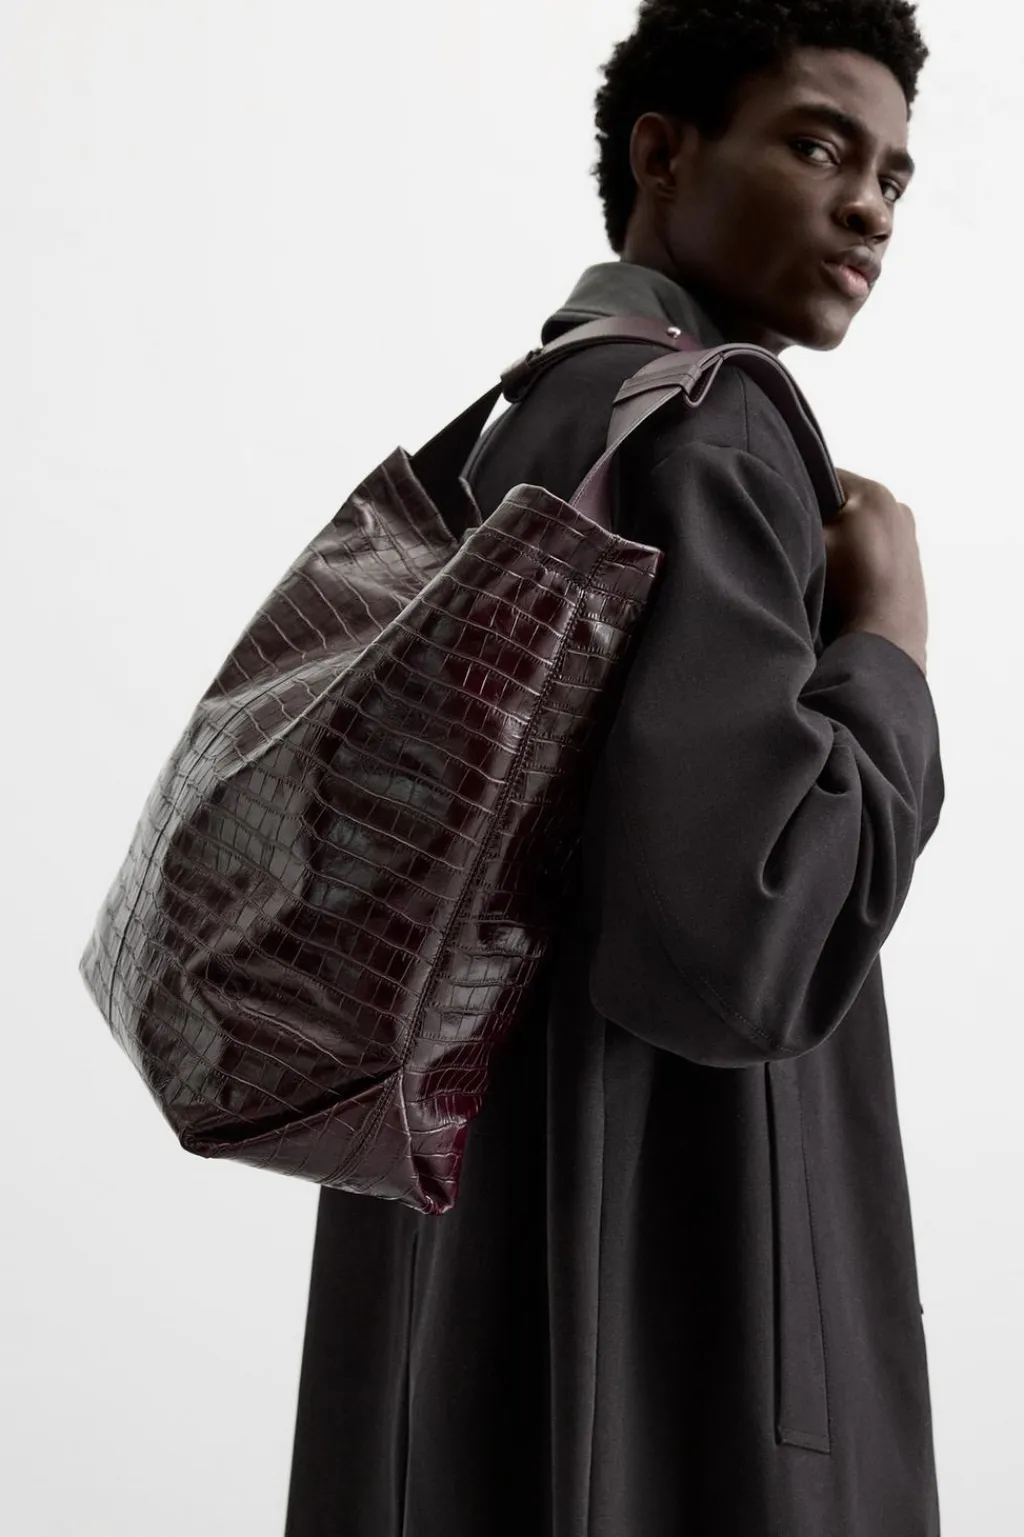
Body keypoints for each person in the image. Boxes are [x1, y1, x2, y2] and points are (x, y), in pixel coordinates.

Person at [283, 2, 944, 1533]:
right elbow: (747, 941)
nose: (867, 207)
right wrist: (890, 646)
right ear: (664, 152)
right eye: (819, 147)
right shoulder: (711, 432)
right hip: (664, 1253)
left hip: (476, 1231)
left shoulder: (540, 419)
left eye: (893, 177)